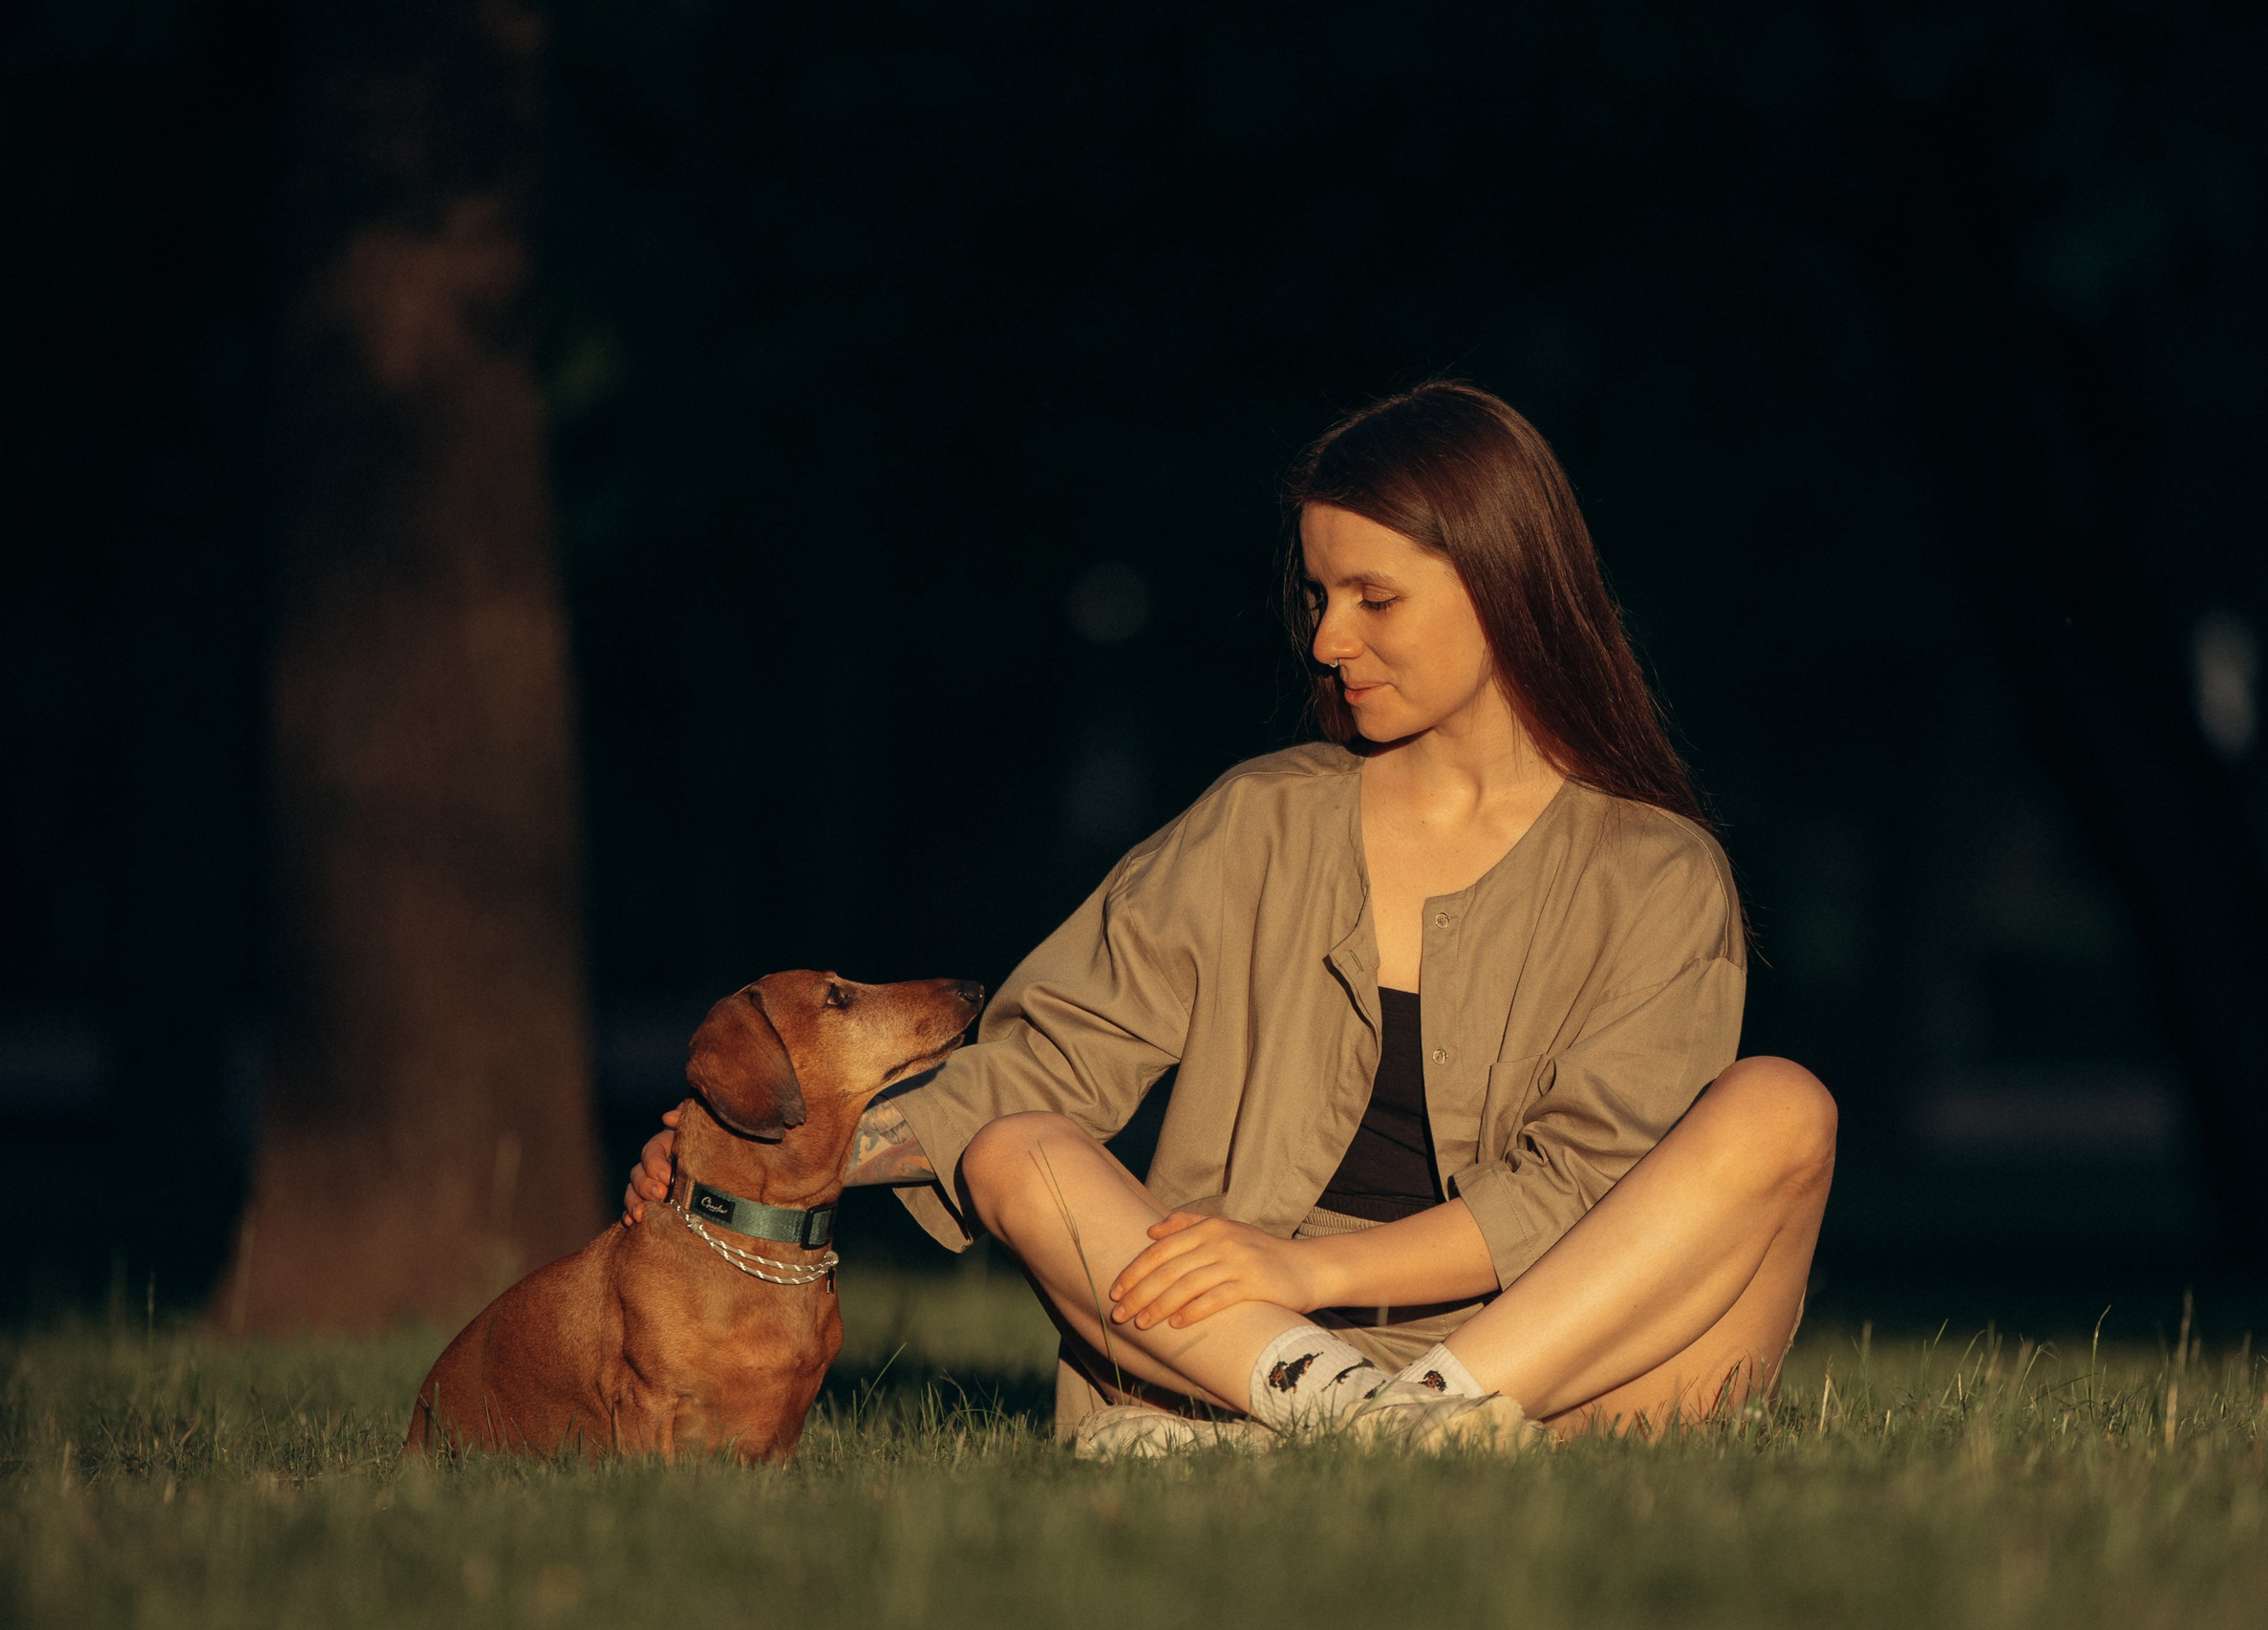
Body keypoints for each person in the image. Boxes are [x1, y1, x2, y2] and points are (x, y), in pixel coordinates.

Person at [623, 381, 1835, 1451]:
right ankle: (1369, 1431)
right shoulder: (1260, 820)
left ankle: (1387, 1434)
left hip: (1558, 1360)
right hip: (1247, 1344)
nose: (1327, 637)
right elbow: (1047, 1060)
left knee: (1783, 1107)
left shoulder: (1653, 870)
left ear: (1503, 582)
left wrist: (1315, 1264)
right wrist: (763, 1149)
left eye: (1374, 596)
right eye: (1316, 594)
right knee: (1015, 1152)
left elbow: (1587, 1184)